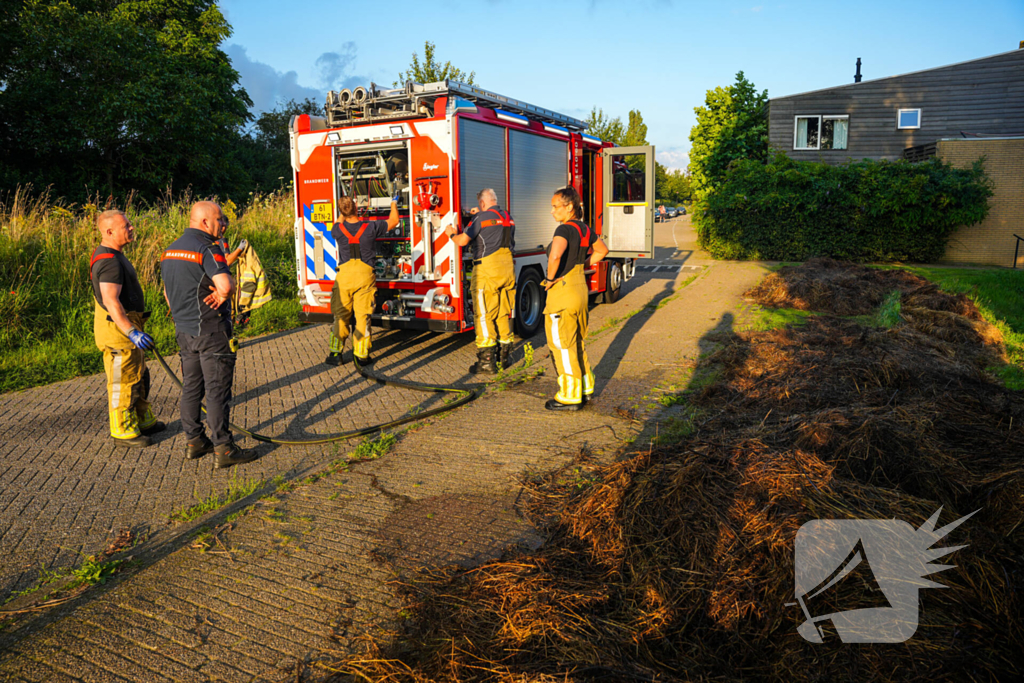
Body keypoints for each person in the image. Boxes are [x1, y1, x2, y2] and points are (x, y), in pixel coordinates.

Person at [161, 201, 257, 469]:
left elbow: (168, 292)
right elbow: (225, 284)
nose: (224, 223)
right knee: (217, 391)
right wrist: (223, 293)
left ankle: (194, 442)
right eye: (219, 219)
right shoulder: (208, 248)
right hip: (212, 331)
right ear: (204, 223)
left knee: (191, 388)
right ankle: (224, 448)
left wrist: (182, 313)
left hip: (184, 330)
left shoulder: (170, 250)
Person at [90, 210, 165, 447]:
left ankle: (143, 420)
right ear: (109, 231)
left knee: (138, 375)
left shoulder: (112, 254)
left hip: (125, 327)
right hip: (119, 332)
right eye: (126, 226)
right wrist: (131, 331)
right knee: (123, 381)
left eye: (130, 224)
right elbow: (111, 300)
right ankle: (122, 430)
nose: (132, 228)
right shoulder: (109, 261)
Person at [542, 187, 609, 411]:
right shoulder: (584, 229)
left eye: (555, 206)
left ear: (569, 207)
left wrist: (550, 278)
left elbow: (555, 255)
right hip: (580, 290)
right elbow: (602, 250)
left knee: (561, 343)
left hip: (563, 291)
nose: (552, 211)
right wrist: (582, 265)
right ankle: (586, 386)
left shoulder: (564, 229)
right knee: (577, 340)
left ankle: (570, 395)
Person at [444, 188, 516, 374]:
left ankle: (486, 362)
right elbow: (497, 227)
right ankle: (504, 357)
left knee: (483, 314)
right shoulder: (508, 217)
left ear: (482, 203)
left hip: (487, 270)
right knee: (502, 313)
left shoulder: (480, 219)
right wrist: (480, 215)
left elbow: (462, 241)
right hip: (507, 269)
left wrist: (450, 234)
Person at [325, 195, 400, 366]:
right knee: (362, 316)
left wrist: (344, 209)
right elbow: (394, 221)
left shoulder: (337, 230)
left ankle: (335, 354)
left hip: (343, 277)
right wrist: (394, 202)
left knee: (341, 316)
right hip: (364, 277)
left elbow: (338, 221)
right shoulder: (371, 227)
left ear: (342, 212)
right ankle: (361, 355)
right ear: (357, 208)